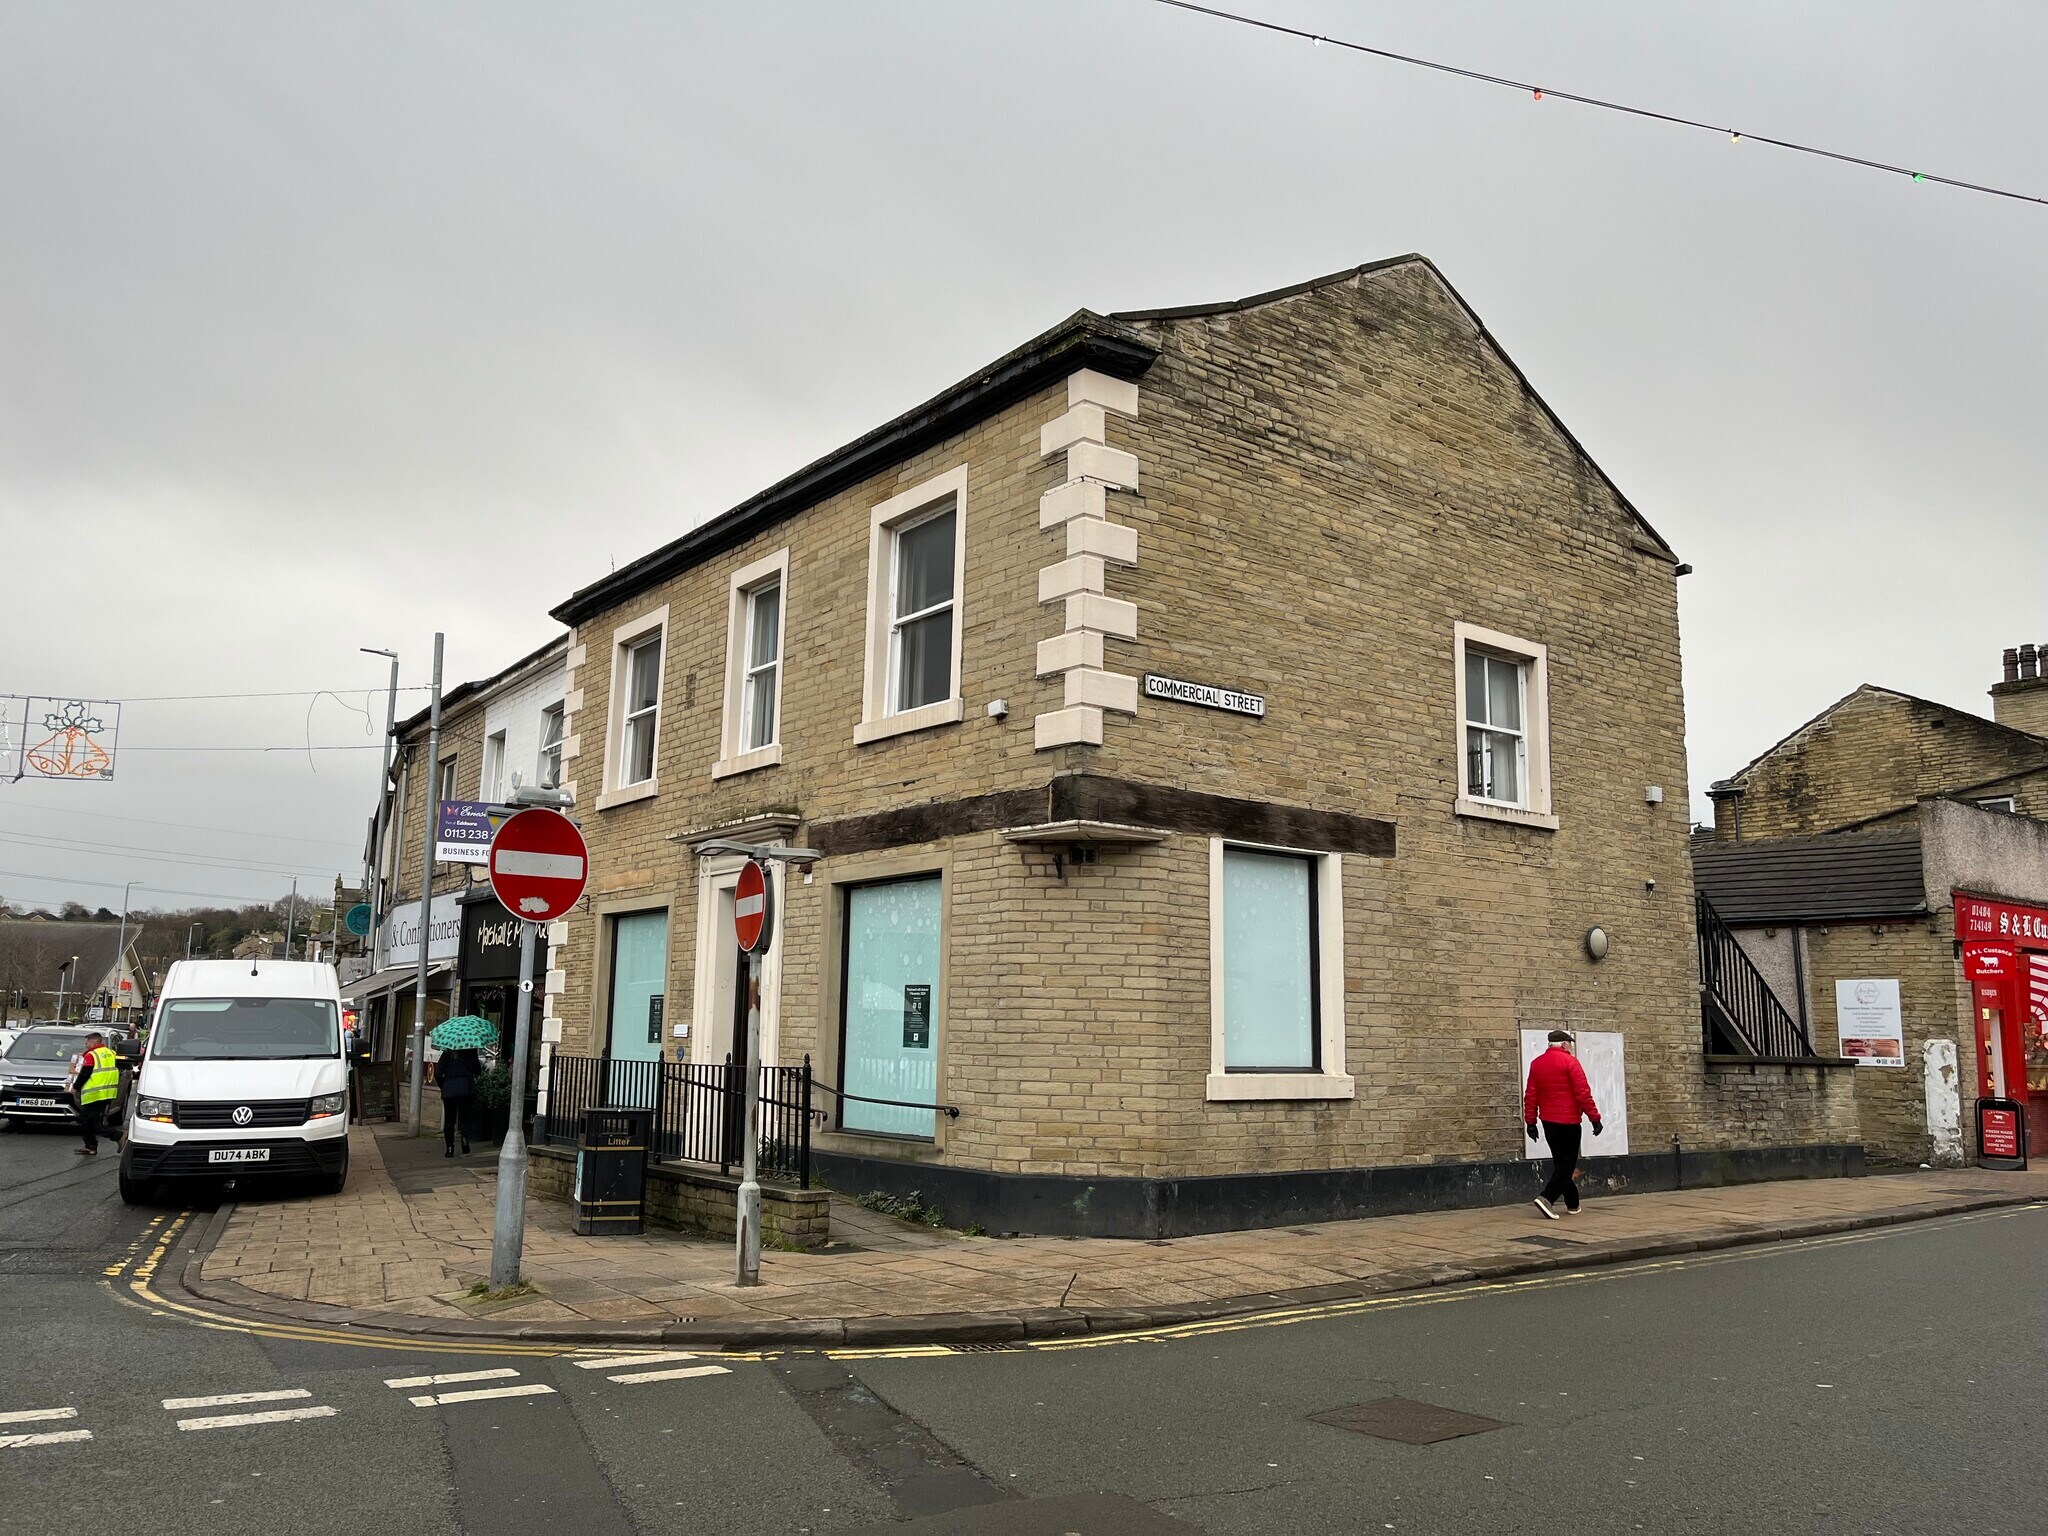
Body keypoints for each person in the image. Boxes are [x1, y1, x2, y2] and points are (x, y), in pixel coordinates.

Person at [1523, 1028, 1602, 1218]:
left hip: (1548, 1122)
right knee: (1566, 1166)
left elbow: (1531, 1096)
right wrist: (1595, 1118)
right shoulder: (1570, 1062)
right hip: (1569, 1122)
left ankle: (1573, 1203)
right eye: (1570, 1046)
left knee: (1561, 1163)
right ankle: (1546, 1198)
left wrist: (1531, 1122)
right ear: (1564, 1045)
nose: (1570, 1049)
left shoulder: (1537, 1064)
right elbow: (1583, 1094)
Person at [70, 1031, 122, 1157]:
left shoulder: (91, 1055)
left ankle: (119, 1136)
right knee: (86, 1120)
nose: (85, 1045)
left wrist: (75, 1087)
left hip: (94, 1093)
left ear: (93, 1042)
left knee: (90, 1122)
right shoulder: (111, 1053)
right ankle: (90, 1146)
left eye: (86, 1043)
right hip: (107, 1092)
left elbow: (85, 1074)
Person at [437, 1045, 480, 1157]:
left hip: (449, 1090)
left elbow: (437, 1073)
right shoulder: (470, 1052)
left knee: (449, 1120)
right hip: (465, 1089)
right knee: (465, 1118)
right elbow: (477, 1070)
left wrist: (443, 1085)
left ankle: (450, 1148)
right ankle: (465, 1141)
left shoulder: (446, 1054)